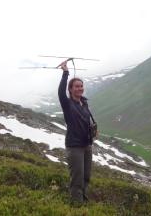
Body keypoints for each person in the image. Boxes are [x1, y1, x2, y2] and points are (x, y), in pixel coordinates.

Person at [58, 60, 96, 205]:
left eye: (81, 86)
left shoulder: (84, 103)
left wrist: (92, 130)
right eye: (76, 87)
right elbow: (60, 92)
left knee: (86, 176)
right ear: (71, 89)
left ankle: (82, 200)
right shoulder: (67, 104)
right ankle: (76, 206)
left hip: (87, 145)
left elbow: (85, 120)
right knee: (77, 179)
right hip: (75, 147)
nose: (80, 88)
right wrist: (65, 73)